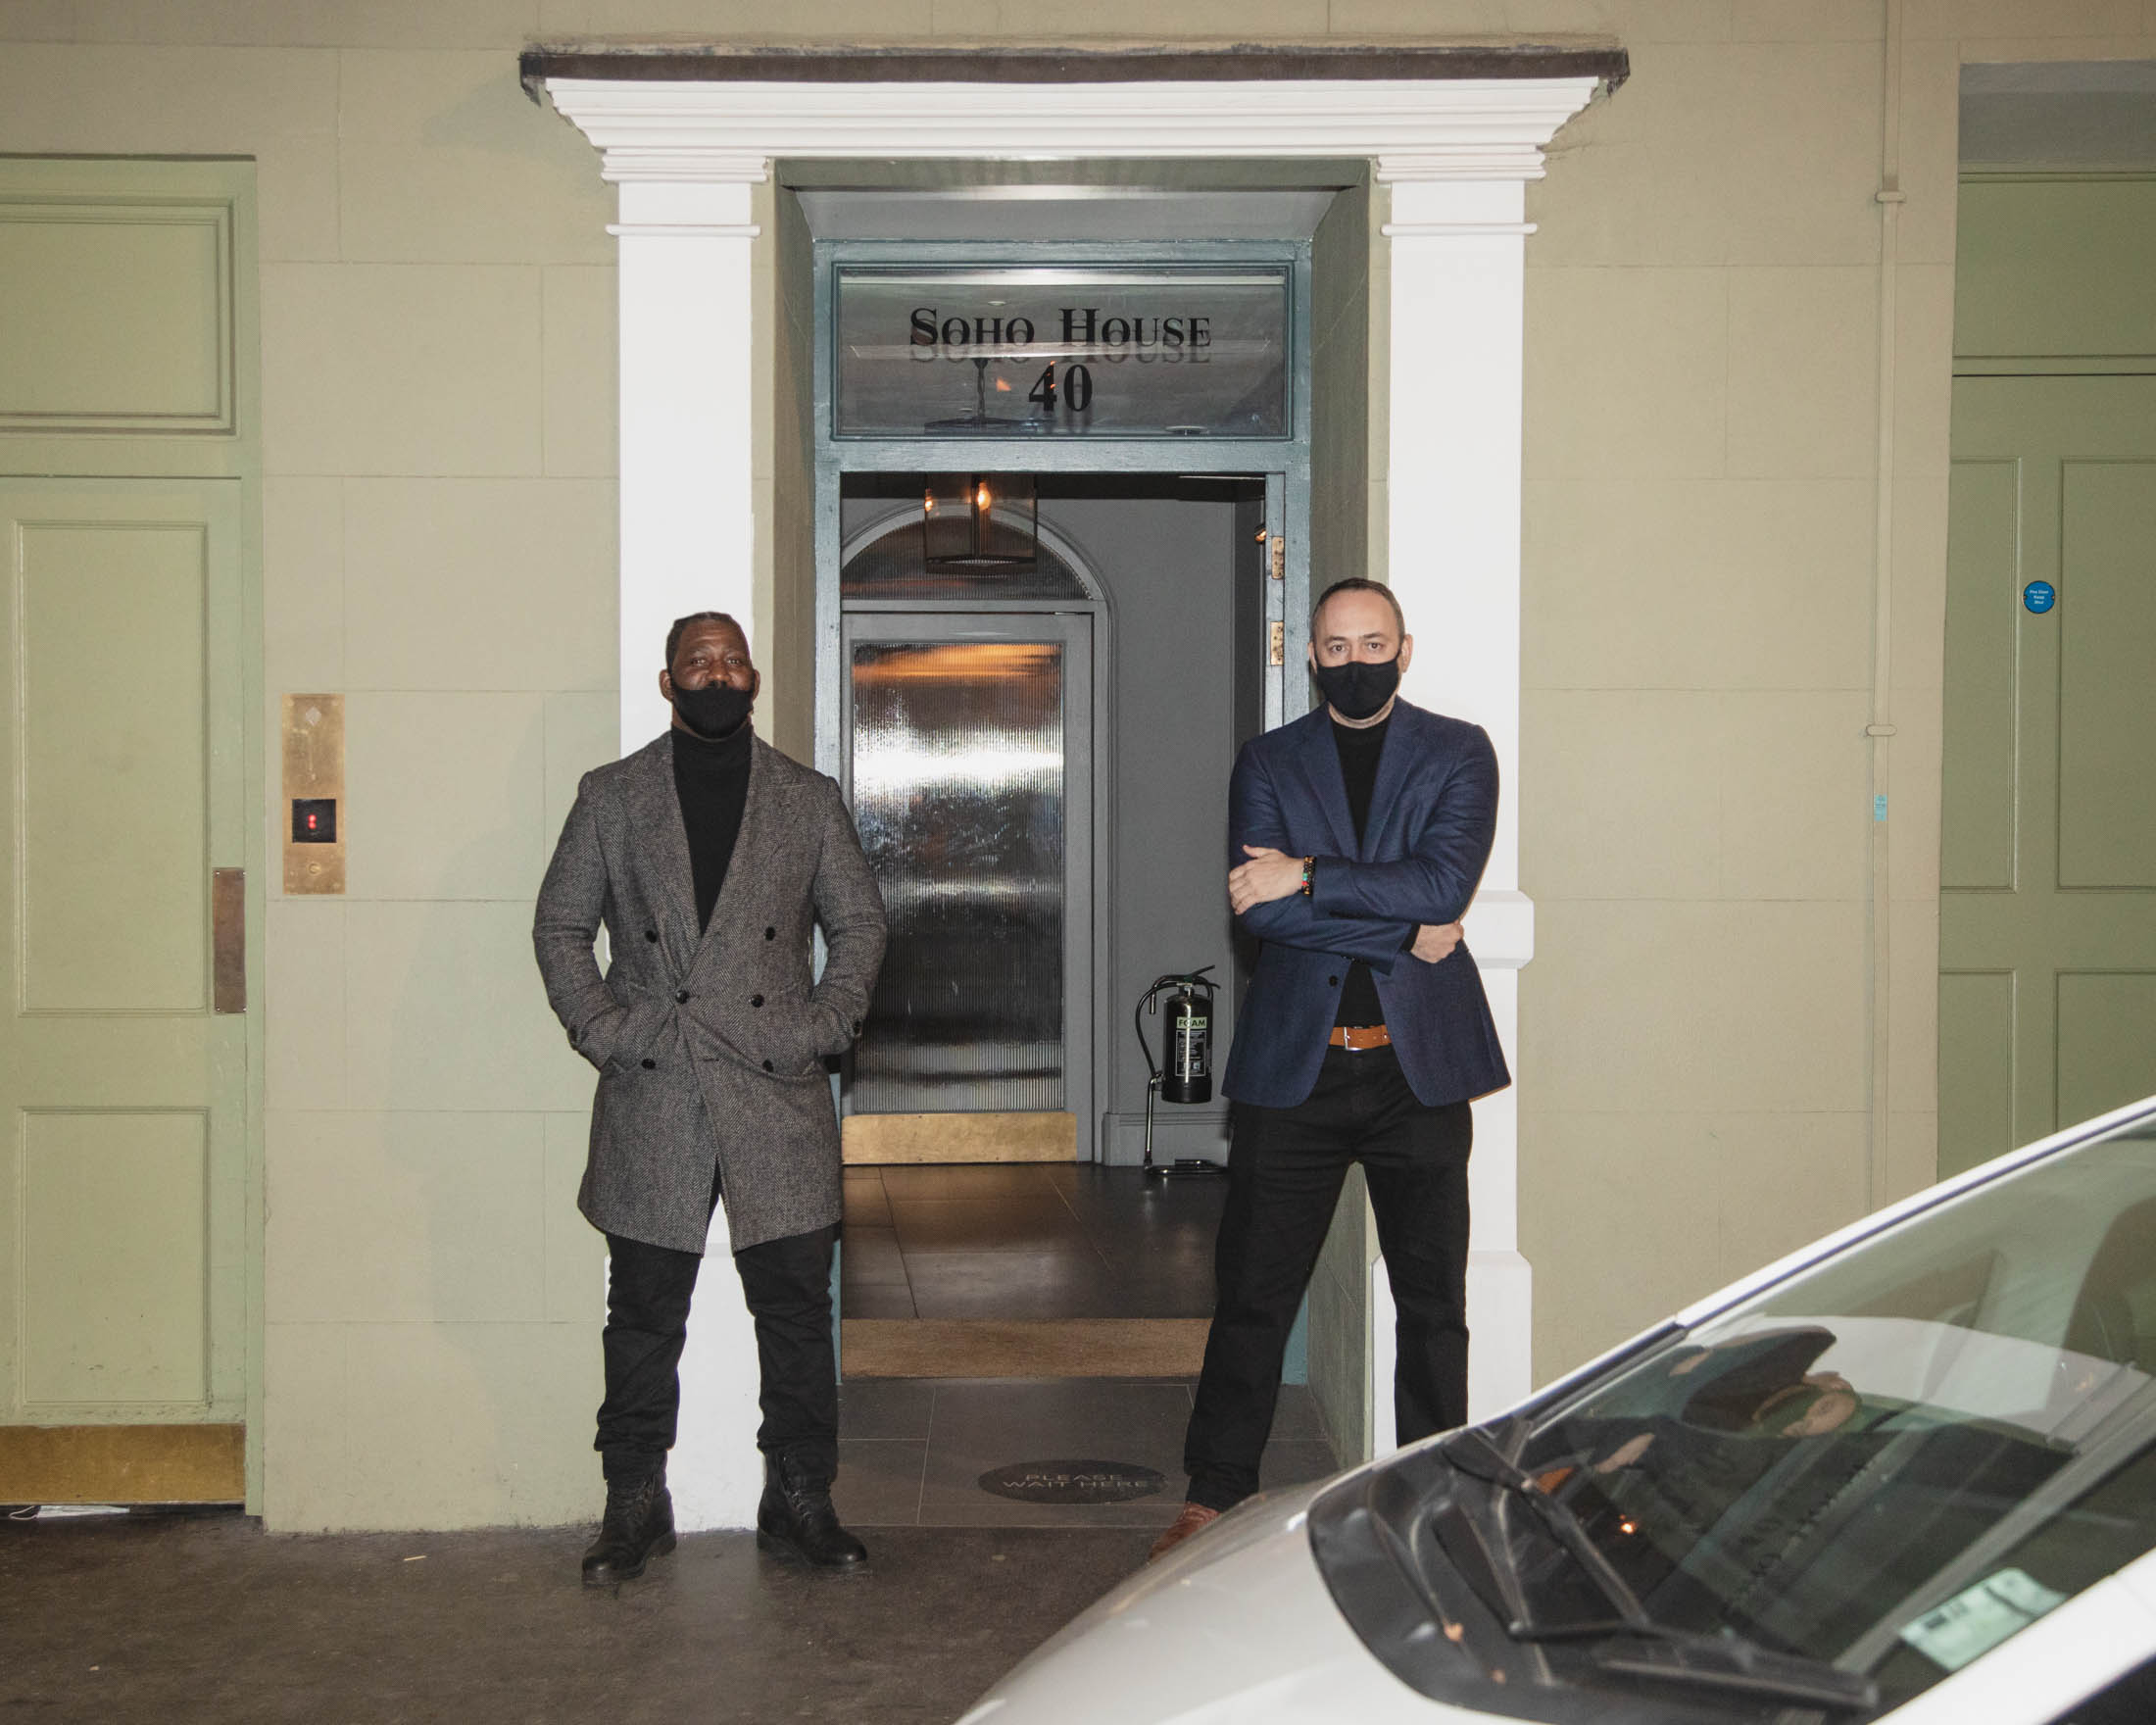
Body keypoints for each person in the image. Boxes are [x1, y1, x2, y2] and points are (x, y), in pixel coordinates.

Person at [1151, 576, 1509, 1561]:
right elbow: (1257, 912)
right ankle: (1214, 1492)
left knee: (1433, 1302)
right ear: (1310, 655)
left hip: (1416, 1068)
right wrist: (1407, 924)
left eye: (1373, 641)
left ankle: (1438, 1487)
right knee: (1254, 1296)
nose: (1356, 660)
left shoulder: (1458, 750)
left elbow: (1444, 878)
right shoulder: (1268, 759)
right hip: (1297, 1070)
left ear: (1405, 646)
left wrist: (1306, 872)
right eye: (1337, 646)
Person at [534, 611, 887, 1587]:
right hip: (657, 1086)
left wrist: (823, 1024)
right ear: (667, 680)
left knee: (795, 1313)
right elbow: (562, 923)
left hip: (777, 1088)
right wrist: (608, 1031)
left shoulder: (806, 798)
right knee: (643, 1311)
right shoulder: (612, 795)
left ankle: (800, 1494)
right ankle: (634, 1501)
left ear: (756, 676)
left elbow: (858, 922)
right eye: (699, 661)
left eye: (731, 661)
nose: (717, 674)